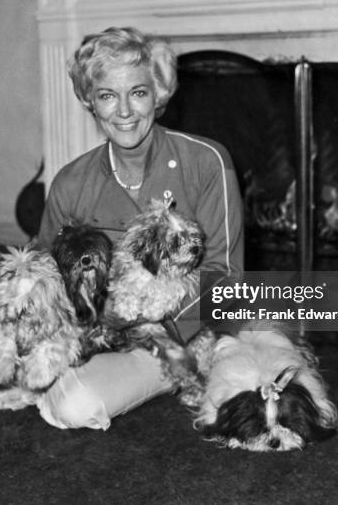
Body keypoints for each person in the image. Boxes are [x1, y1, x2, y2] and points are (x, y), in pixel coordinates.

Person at [34, 26, 244, 430]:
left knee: (74, 406)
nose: (125, 111)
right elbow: (48, 274)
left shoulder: (207, 161)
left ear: (159, 93)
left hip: (179, 336)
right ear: (89, 101)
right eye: (108, 96)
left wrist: (157, 328)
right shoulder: (70, 182)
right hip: (93, 333)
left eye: (138, 92)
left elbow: (227, 277)